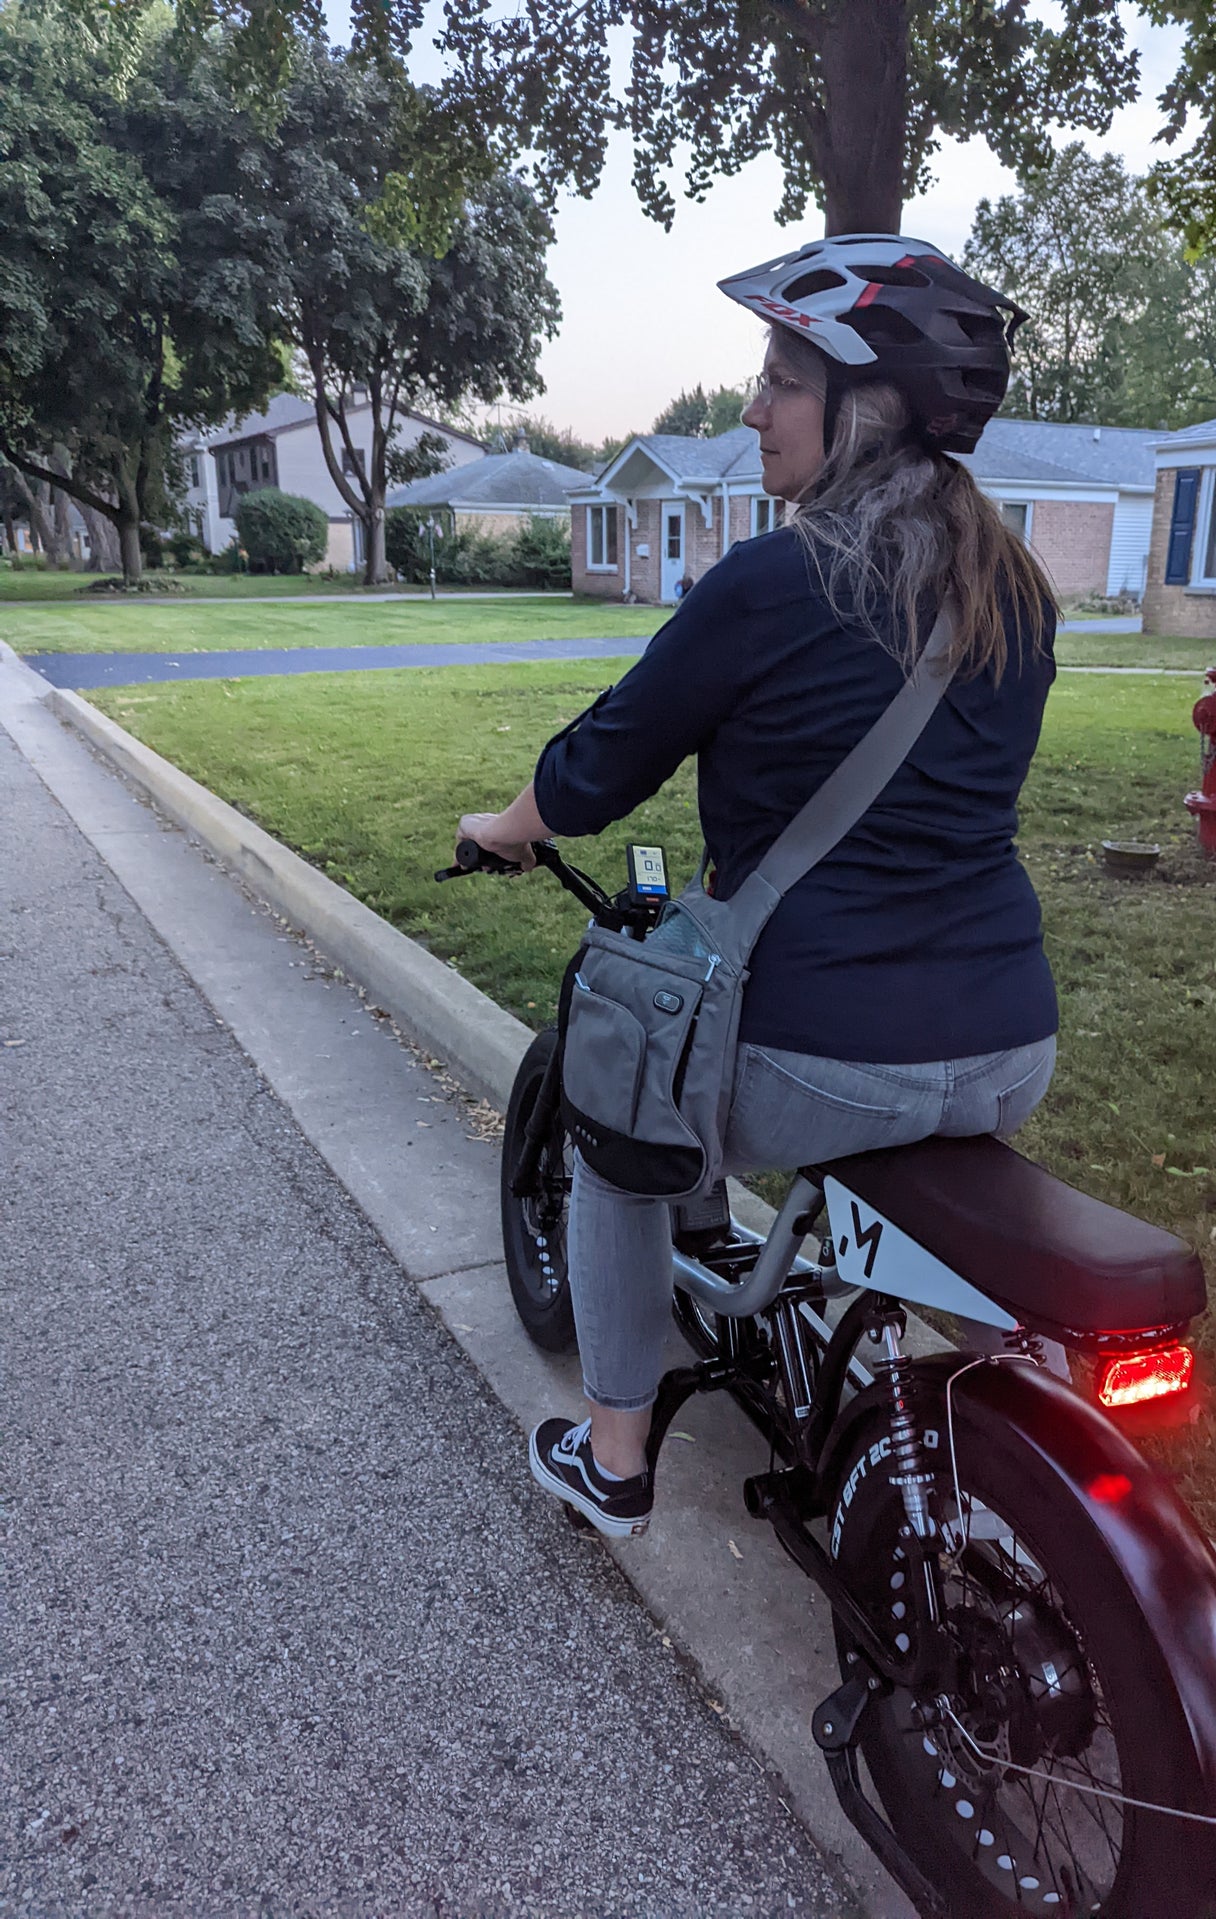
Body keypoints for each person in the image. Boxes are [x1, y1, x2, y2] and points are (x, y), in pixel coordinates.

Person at [458, 236, 1060, 1538]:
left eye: (780, 379)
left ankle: (614, 1456)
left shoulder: (767, 584)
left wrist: (505, 824)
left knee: (612, 1133)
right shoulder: (1014, 590)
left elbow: (593, 775)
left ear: (863, 406)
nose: (748, 409)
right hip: (1011, 1041)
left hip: (818, 1059)